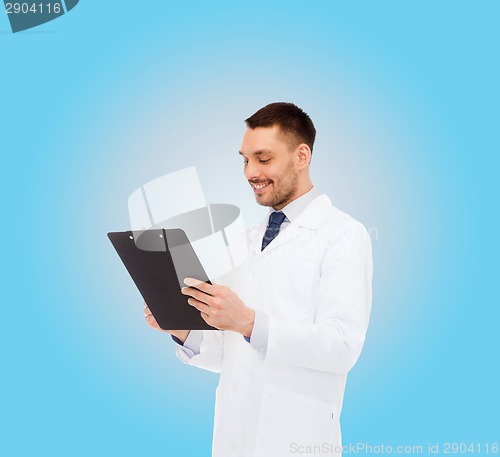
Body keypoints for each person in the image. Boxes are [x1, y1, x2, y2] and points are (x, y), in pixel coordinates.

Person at [144, 102, 373, 456]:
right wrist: (181, 328)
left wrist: (249, 322)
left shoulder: (344, 234)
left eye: (263, 159)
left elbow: (342, 346)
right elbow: (230, 354)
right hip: (234, 440)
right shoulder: (245, 240)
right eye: (245, 159)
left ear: (301, 155)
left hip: (297, 440)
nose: (250, 172)